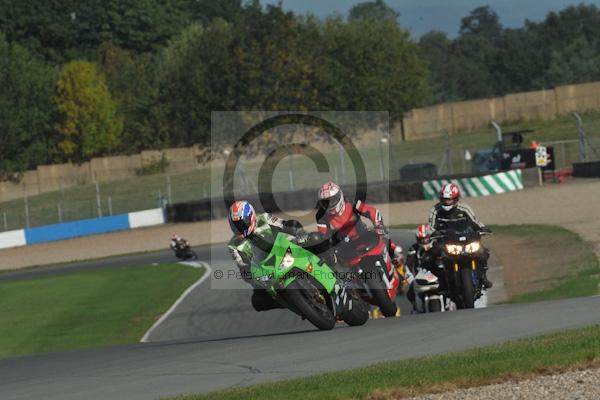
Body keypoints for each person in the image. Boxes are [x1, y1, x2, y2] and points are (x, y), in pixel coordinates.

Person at [227, 200, 351, 315]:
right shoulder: (234, 245)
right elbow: (243, 266)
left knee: (316, 239)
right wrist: (252, 277)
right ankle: (294, 302)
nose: (240, 227)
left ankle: (335, 272)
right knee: (258, 302)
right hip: (267, 270)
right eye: (236, 225)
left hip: (287, 249)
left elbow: (285, 225)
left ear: (251, 216)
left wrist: (298, 233)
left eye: (242, 222)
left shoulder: (264, 219)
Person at [315, 181, 402, 287]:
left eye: (332, 200)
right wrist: (329, 252)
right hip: (343, 246)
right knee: (336, 271)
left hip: (363, 235)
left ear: (340, 196)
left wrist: (379, 226)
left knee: (388, 243)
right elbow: (324, 236)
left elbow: (371, 211)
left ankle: (403, 273)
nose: (330, 205)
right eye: (326, 203)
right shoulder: (321, 216)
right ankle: (355, 291)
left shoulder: (351, 202)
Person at [428, 183, 493, 288]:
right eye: (444, 199)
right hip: (445, 241)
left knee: (483, 252)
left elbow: (475, 221)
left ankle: (483, 277)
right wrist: (433, 233)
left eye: (450, 199)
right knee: (430, 257)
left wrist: (483, 228)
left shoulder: (464, 208)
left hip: (465, 240)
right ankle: (442, 281)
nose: (447, 202)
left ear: (456, 198)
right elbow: (430, 227)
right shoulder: (435, 210)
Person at [405, 224, 441, 308]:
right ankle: (416, 307)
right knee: (410, 294)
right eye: (422, 239)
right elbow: (408, 264)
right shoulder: (414, 248)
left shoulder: (437, 246)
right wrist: (410, 278)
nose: (424, 241)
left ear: (430, 237)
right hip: (421, 276)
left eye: (426, 238)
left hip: (439, 274)